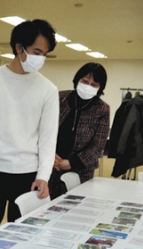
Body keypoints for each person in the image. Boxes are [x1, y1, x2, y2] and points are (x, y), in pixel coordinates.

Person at [0, 19, 59, 235]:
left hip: (28, 174)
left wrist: (43, 176)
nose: (41, 59)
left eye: (45, 55)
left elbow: (48, 139)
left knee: (22, 236)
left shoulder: (48, 90)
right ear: (19, 48)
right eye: (37, 52)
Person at [48, 63, 110, 199]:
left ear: (100, 88)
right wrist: (50, 155)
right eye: (85, 81)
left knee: (74, 206)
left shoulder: (102, 109)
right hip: (50, 165)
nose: (88, 86)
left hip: (81, 170)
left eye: (94, 84)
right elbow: (42, 129)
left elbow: (97, 145)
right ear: (77, 80)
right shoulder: (59, 98)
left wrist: (71, 163)